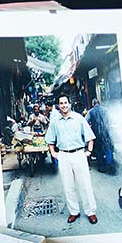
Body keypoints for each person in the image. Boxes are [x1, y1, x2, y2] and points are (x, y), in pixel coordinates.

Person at [45, 94, 98, 224]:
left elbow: (90, 136)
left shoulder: (78, 118)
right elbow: (50, 139)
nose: (63, 105)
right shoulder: (55, 121)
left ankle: (90, 212)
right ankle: (74, 212)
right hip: (63, 155)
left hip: (78, 154)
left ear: (69, 104)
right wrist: (53, 153)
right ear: (58, 105)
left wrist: (89, 151)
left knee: (85, 184)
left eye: (65, 103)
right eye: (61, 103)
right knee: (68, 186)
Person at [85, 98, 115, 174]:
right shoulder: (106, 110)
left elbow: (85, 122)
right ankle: (111, 166)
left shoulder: (90, 112)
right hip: (106, 133)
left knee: (99, 151)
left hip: (96, 134)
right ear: (99, 103)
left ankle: (102, 168)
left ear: (93, 104)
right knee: (108, 149)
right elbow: (111, 119)